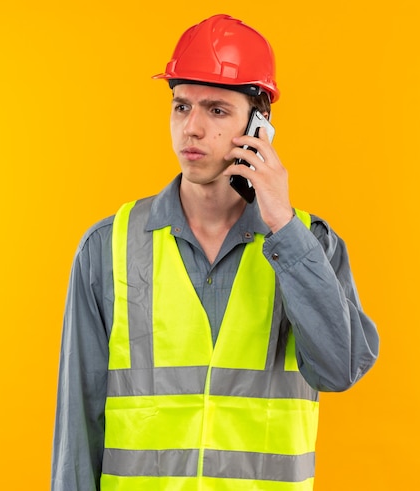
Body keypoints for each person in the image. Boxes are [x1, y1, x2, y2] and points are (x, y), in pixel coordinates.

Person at [51, 13, 379, 491]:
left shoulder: (311, 244)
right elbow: (78, 424)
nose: (192, 129)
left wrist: (283, 227)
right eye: (181, 107)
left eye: (217, 110)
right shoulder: (108, 247)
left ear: (260, 122)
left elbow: (340, 368)